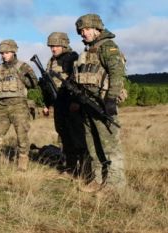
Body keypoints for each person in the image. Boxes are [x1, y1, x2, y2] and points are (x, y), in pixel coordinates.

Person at [74, 14, 127, 194]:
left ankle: (115, 184)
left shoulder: (108, 47)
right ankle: (98, 179)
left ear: (97, 28)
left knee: (109, 145)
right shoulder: (88, 51)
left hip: (103, 104)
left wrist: (111, 100)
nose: (83, 33)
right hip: (87, 104)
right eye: (81, 31)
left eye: (87, 29)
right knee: (92, 144)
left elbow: (117, 74)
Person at [0, 39, 39, 171]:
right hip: (1, 107)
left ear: (13, 52)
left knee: (22, 135)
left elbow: (34, 83)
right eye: (2, 53)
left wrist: (22, 77)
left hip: (19, 106)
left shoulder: (23, 66)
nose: (4, 55)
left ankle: (23, 161)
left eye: (7, 52)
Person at [40, 32, 88, 178]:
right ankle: (71, 168)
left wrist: (75, 102)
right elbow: (48, 86)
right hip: (59, 105)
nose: (53, 49)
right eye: (51, 46)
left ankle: (86, 170)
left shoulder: (72, 58)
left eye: (56, 46)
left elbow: (79, 82)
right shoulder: (51, 62)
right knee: (64, 137)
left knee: (78, 138)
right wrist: (47, 104)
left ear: (64, 44)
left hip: (71, 105)